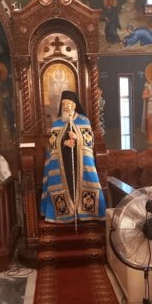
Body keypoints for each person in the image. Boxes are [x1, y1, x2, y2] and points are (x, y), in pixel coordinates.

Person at [40, 90, 106, 224]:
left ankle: (86, 212)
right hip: (63, 164)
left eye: (69, 104)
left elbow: (89, 142)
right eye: (64, 104)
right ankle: (65, 214)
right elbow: (52, 145)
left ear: (75, 105)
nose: (66, 107)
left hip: (80, 164)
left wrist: (77, 138)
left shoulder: (84, 120)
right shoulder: (57, 123)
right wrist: (64, 143)